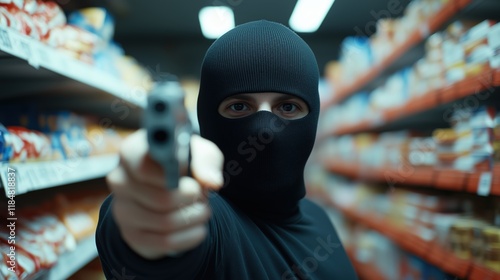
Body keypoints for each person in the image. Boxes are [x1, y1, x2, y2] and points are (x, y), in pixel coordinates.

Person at [96, 20, 358, 280]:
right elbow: (161, 245)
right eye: (240, 107)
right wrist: (151, 200)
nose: (265, 130)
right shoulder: (211, 222)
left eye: (287, 107)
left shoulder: (319, 218)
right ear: (208, 118)